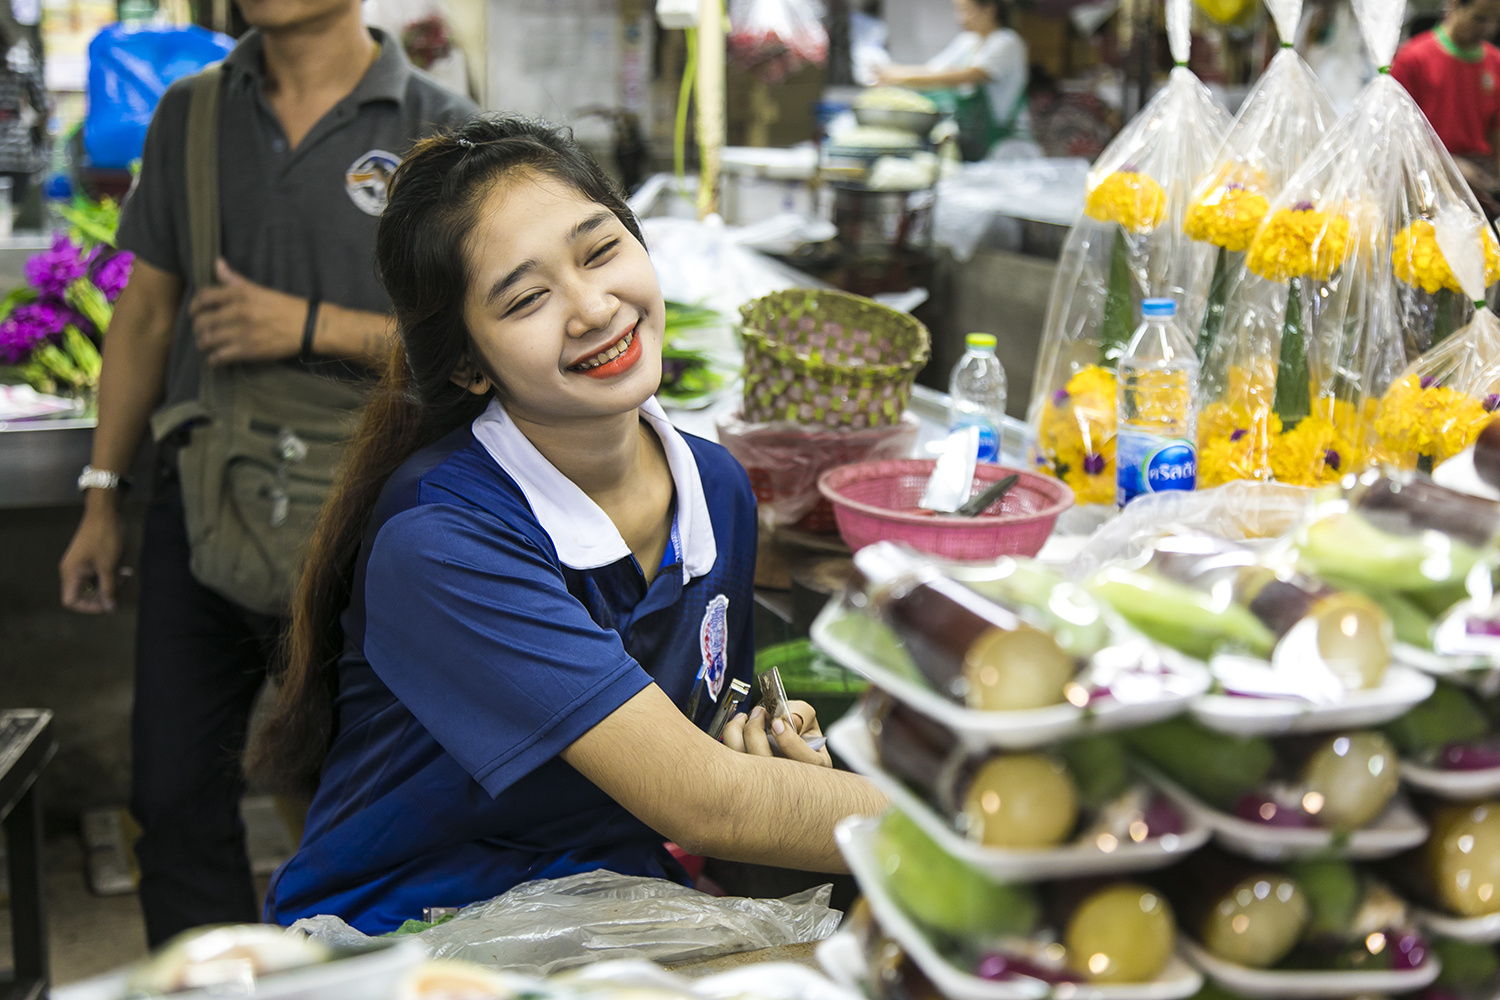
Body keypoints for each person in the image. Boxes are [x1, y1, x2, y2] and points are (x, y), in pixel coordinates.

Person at [248, 116, 889, 934]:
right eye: (526, 299)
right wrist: (971, 834)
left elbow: (713, 779)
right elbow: (700, 801)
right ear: (467, 364)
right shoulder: (444, 540)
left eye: (599, 250)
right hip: (405, 941)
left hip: (610, 915)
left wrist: (771, 754)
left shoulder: (716, 488)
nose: (592, 308)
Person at [56, 0, 474, 947]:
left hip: (370, 530)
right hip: (202, 504)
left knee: (363, 818)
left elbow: (475, 337)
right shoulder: (192, 115)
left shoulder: (437, 123)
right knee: (172, 799)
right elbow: (147, 316)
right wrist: (100, 496)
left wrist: (308, 324)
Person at [875, 0, 1028, 161]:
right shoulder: (969, 42)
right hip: (973, 141)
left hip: (1002, 145)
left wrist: (901, 77)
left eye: (967, 11)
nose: (961, 18)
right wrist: (894, 71)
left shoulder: (1006, 42)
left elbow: (970, 75)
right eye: (959, 11)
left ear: (989, 9)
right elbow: (933, 70)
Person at [1391, 0, 1500, 209]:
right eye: (1480, 18)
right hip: (1425, 185)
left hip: (1478, 187)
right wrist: (1448, 165)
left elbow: (1496, 130)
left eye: (1496, 20)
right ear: (1455, 5)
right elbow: (1397, 135)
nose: (1488, 29)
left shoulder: (1495, 63)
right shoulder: (1413, 59)